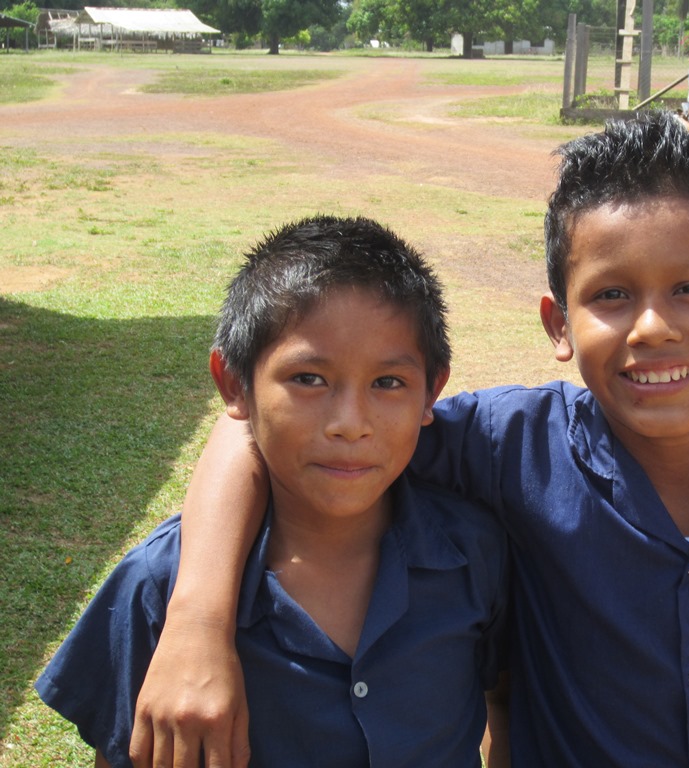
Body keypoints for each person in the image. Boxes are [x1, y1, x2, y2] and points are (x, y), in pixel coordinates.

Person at [131, 113, 689, 767]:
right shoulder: (508, 446)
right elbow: (260, 434)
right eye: (611, 295)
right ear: (558, 324)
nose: (653, 327)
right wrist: (197, 620)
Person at [35, 215, 508, 768]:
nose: (349, 424)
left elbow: (504, 700)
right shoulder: (156, 587)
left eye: (388, 383)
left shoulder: (475, 553)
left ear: (433, 390)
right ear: (234, 384)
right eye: (309, 379)